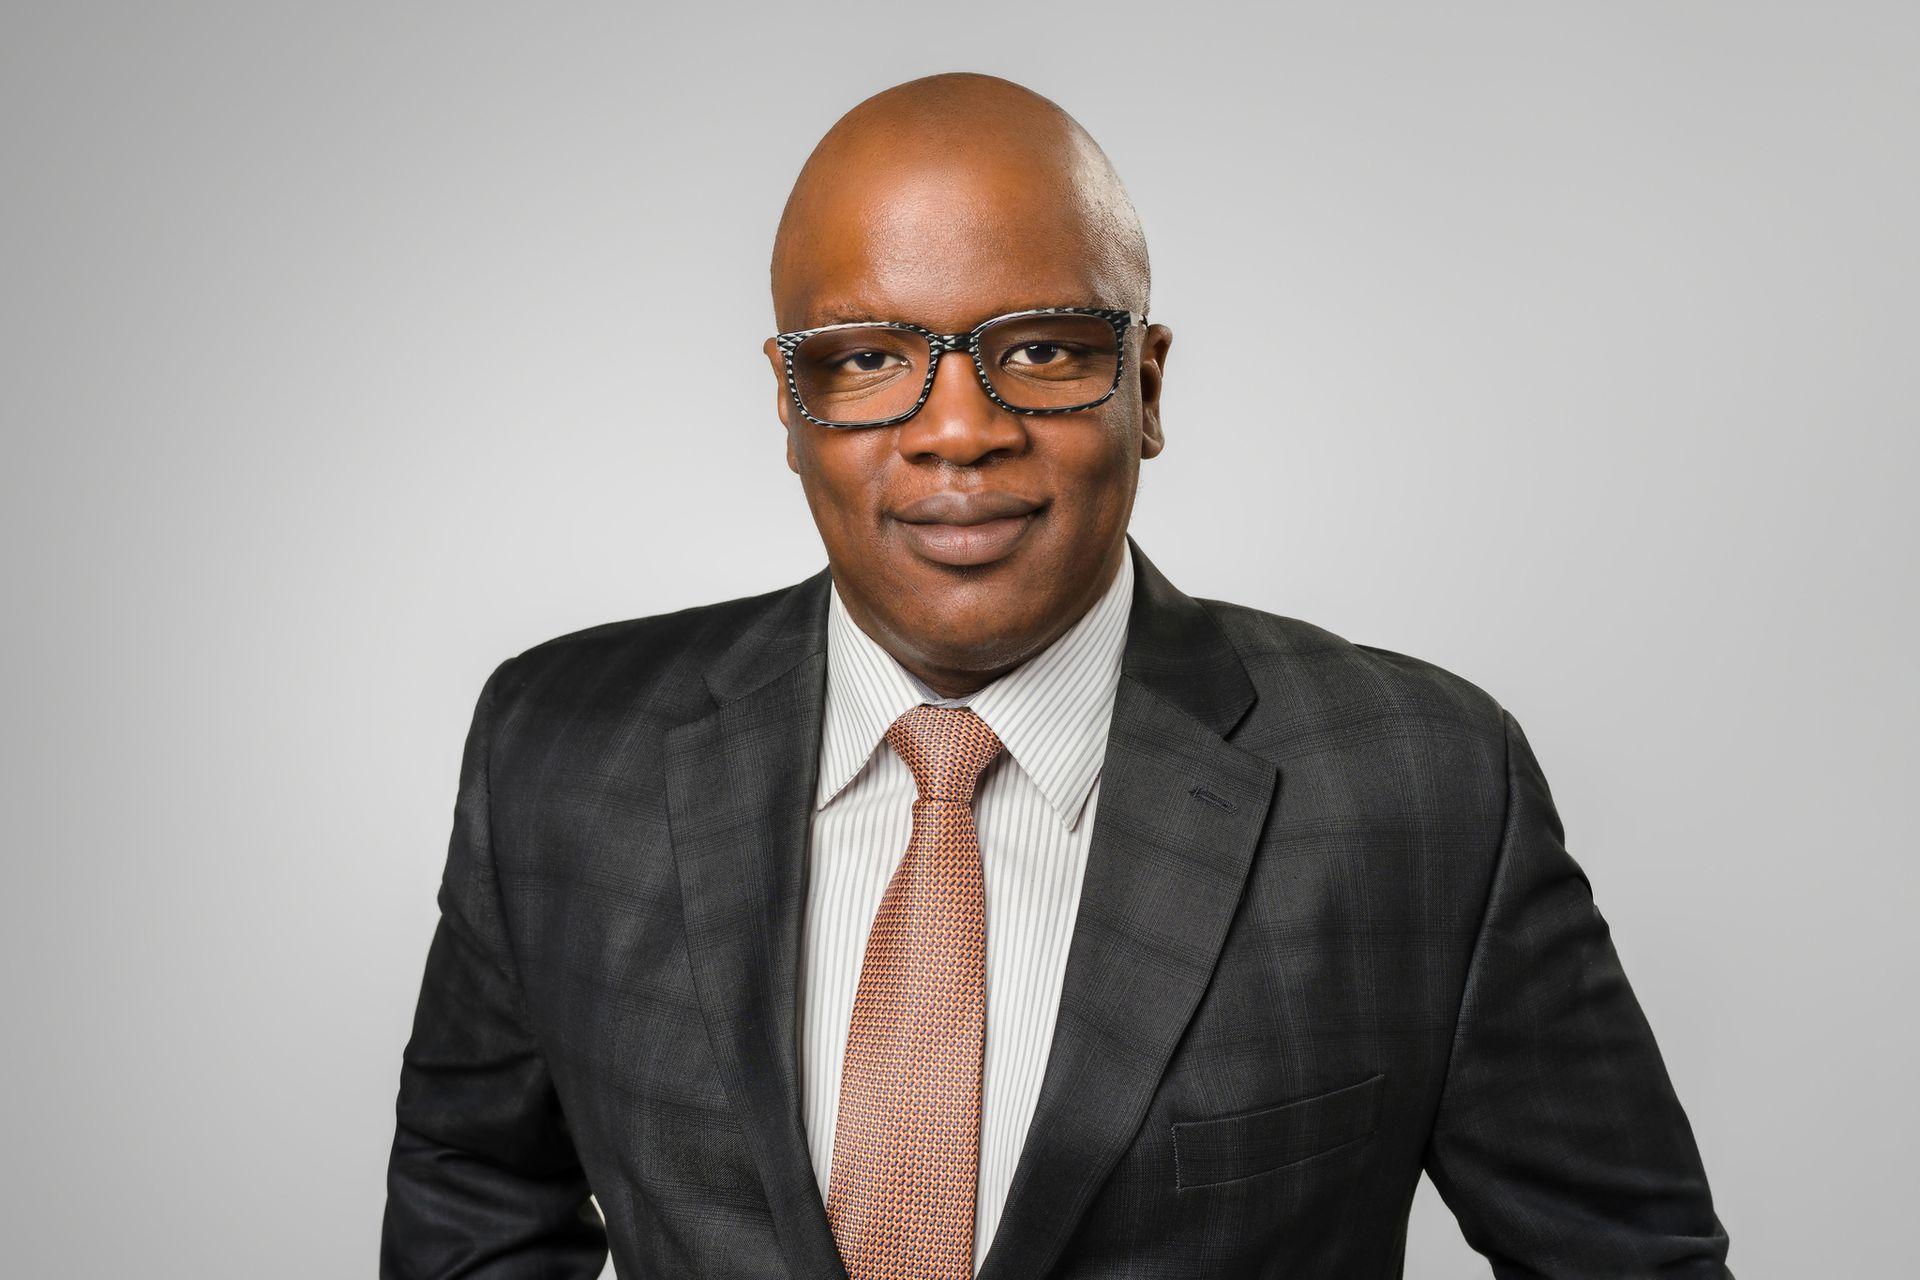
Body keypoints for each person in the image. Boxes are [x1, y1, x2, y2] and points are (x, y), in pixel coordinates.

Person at [381, 72, 1732, 1279]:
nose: (957, 432)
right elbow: (476, 1198)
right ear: (789, 409)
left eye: (1040, 350)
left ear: (1145, 386)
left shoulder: (1423, 787)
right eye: (866, 362)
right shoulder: (559, 750)